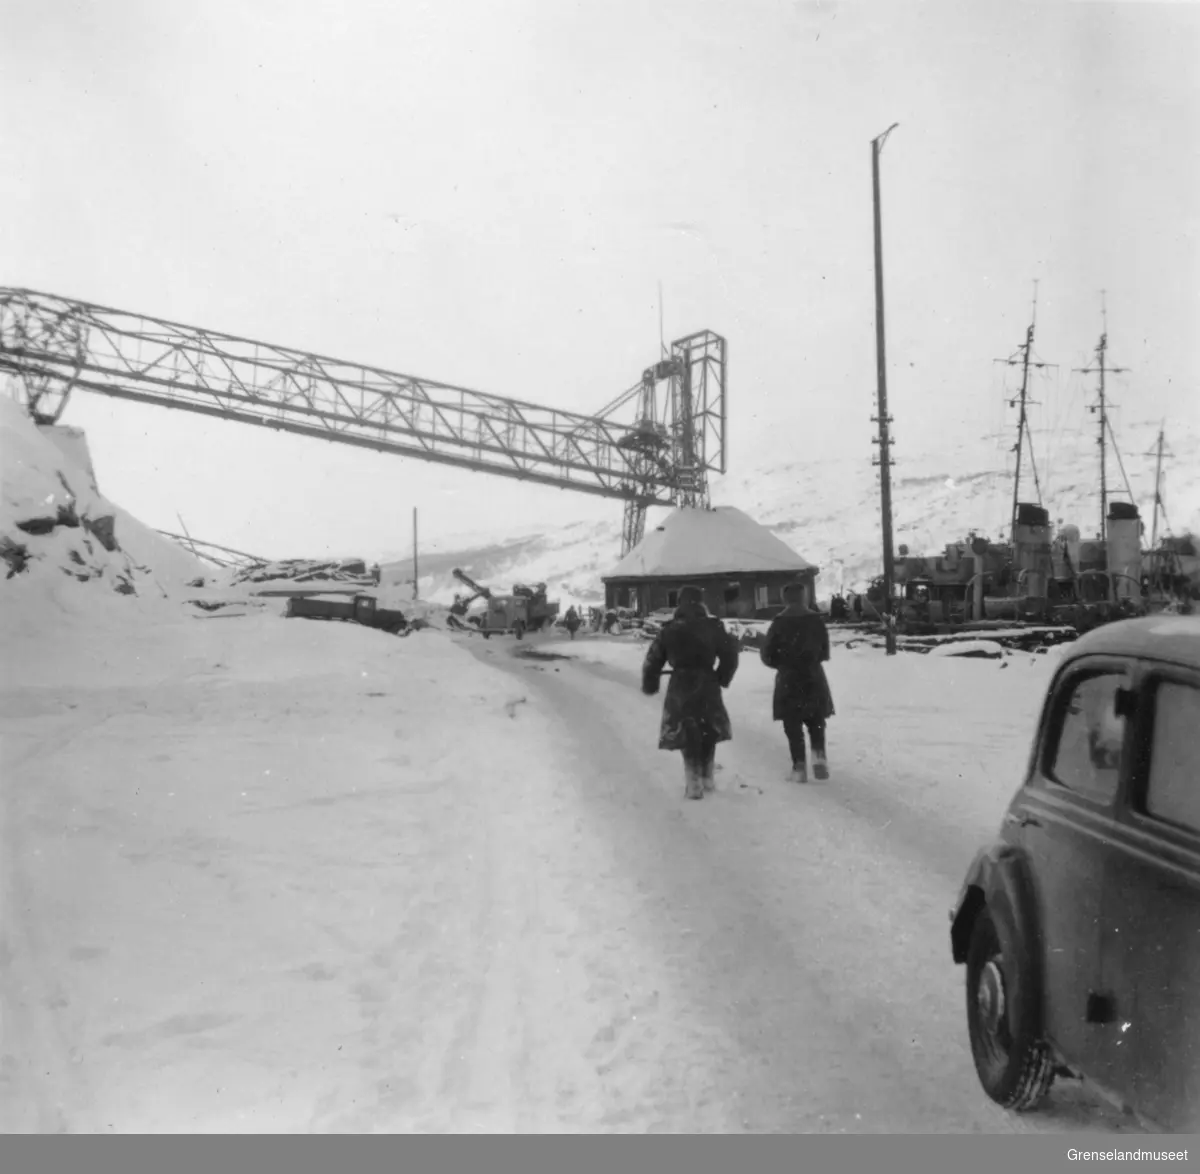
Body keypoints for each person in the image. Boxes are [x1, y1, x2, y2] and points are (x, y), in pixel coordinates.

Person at [642, 585, 740, 800]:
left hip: (681, 684)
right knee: (708, 728)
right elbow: (730, 654)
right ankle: (707, 776)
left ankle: (693, 781)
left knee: (686, 731)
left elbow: (653, 659)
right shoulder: (713, 627)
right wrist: (722, 677)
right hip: (708, 682)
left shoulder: (670, 629)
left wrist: (651, 684)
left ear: (680, 603)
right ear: (701, 602)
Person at [760, 580, 835, 782]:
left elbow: (766, 654)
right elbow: (825, 651)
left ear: (785, 598)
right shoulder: (816, 620)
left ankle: (799, 768)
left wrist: (783, 664)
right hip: (813, 676)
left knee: (792, 725)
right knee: (816, 720)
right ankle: (819, 759)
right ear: (803, 597)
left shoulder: (779, 622)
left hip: (789, 679)